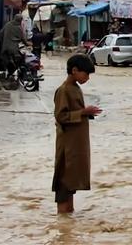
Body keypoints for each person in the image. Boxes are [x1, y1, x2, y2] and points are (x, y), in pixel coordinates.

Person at [52, 54, 102, 214]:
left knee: (71, 183)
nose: (87, 78)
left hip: (75, 144)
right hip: (67, 146)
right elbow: (60, 116)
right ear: (74, 71)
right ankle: (62, 223)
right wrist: (83, 112)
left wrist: (86, 113)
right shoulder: (64, 90)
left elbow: (74, 112)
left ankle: (67, 226)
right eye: (86, 74)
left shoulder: (75, 88)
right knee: (64, 184)